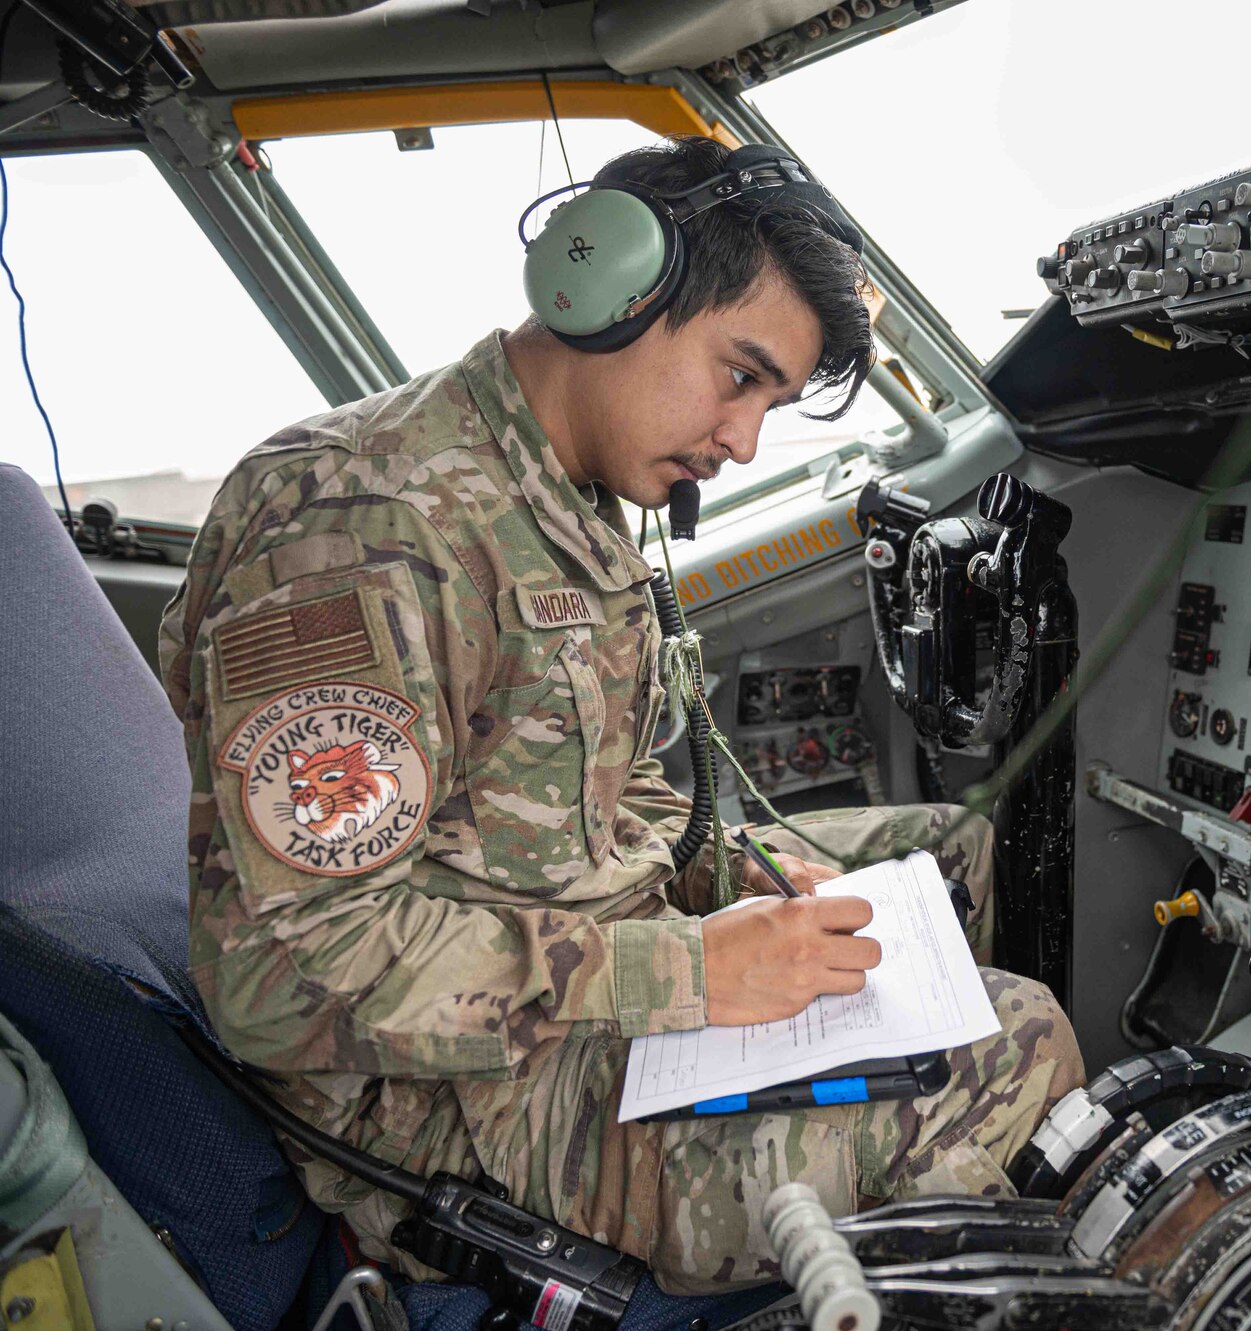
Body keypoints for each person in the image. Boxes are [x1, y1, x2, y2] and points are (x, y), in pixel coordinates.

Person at [157, 133, 1084, 1291]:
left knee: (944, 853)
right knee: (1022, 1039)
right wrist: (687, 973)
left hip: (573, 973)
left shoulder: (567, 491)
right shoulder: (361, 527)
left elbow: (585, 794)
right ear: (604, 294)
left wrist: (724, 880)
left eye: (772, 403)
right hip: (456, 1100)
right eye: (738, 376)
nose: (741, 441)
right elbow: (287, 973)